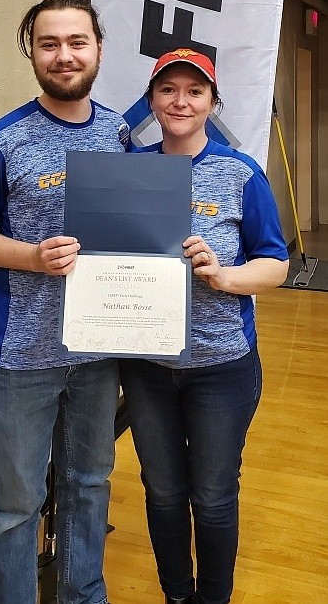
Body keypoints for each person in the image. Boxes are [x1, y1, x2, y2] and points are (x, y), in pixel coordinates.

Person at [0, 0, 129, 604]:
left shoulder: (121, 137)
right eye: (49, 44)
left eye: (76, 42)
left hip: (98, 349)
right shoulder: (0, 140)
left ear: (98, 49)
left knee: (89, 486)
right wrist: (29, 257)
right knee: (15, 504)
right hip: (19, 354)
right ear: (33, 52)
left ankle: (85, 595)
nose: (64, 56)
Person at [119, 49, 289, 604]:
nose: (181, 101)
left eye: (195, 91)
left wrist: (226, 275)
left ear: (212, 103)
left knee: (213, 496)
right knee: (164, 492)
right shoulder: (130, 171)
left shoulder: (240, 173)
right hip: (145, 364)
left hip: (222, 366)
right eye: (168, 90)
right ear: (152, 102)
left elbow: (276, 263)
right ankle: (176, 594)